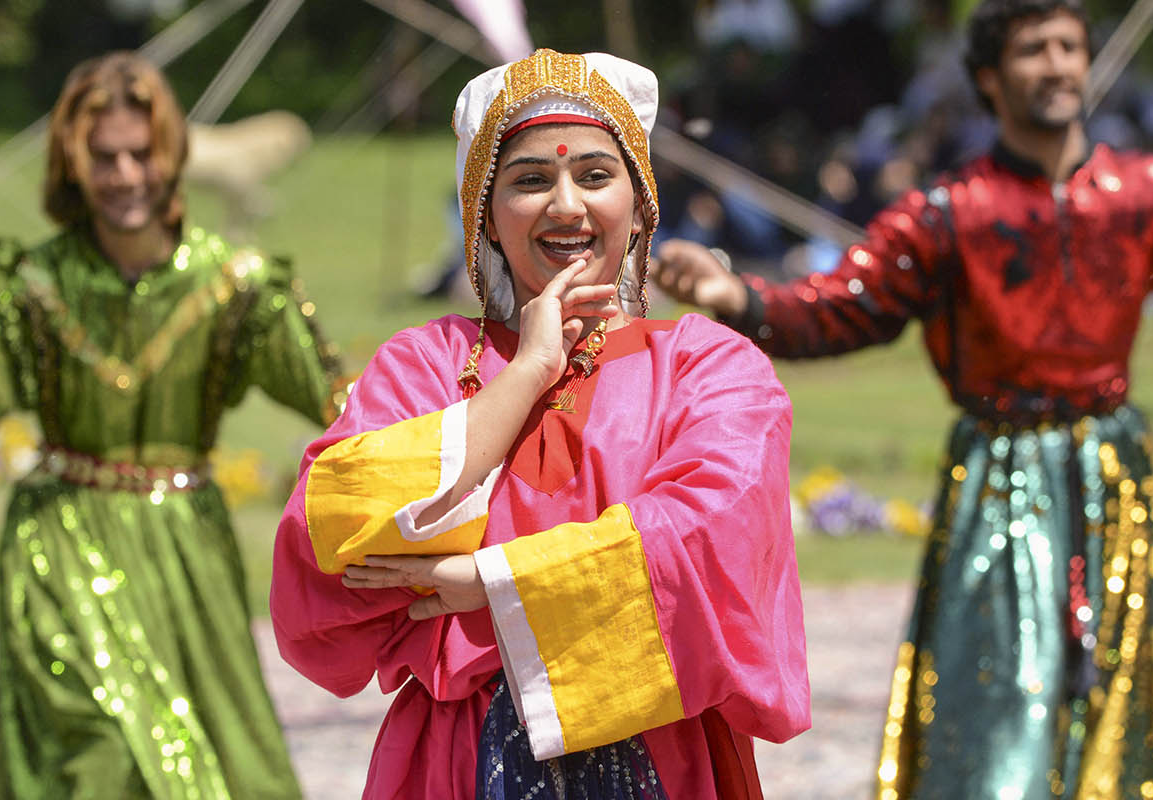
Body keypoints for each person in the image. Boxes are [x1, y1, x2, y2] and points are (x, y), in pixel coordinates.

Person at [653, 1, 1153, 798]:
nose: (1055, 65)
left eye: (1068, 47)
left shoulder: (1146, 193)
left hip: (1118, 473)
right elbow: (844, 307)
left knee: (1126, 693)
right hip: (999, 474)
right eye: (1032, 50)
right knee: (991, 702)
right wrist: (736, 294)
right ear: (989, 77)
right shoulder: (949, 214)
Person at [0, 52, 342, 799]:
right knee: (95, 748)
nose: (125, 176)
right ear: (72, 164)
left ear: (171, 154)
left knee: (216, 763)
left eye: (141, 154)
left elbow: (344, 403)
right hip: (61, 548)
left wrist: (456, 430)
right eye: (103, 158)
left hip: (186, 553)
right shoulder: (30, 287)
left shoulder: (234, 284)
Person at [271, 49, 810, 799]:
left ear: (641, 201)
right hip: (458, 762)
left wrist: (490, 584)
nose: (566, 206)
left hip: (663, 756)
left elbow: (707, 539)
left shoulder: (711, 367)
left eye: (595, 175)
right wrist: (524, 372)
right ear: (484, 215)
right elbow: (330, 531)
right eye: (530, 180)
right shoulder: (425, 363)